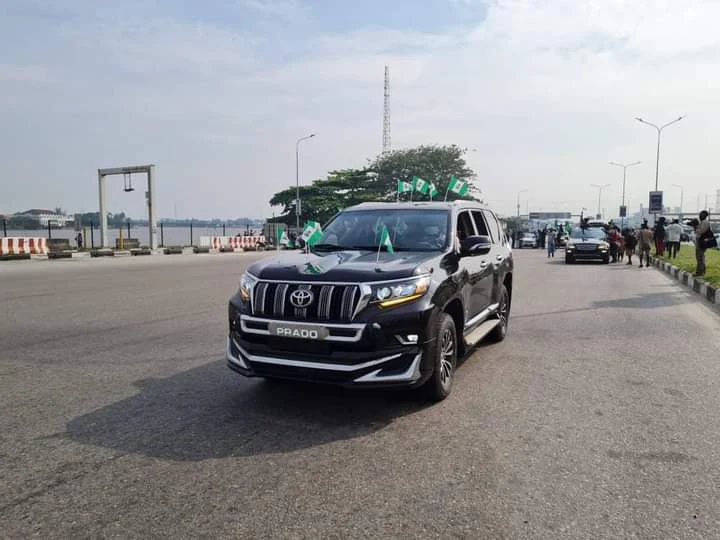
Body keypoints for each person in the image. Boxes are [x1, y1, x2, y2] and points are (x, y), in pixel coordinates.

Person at [694, 210, 712, 277]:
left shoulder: (705, 222)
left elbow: (700, 231)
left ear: (704, 216)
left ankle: (699, 272)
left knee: (699, 257)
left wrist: (695, 227)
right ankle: (701, 270)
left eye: (701, 215)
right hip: (701, 241)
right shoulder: (703, 222)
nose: (700, 216)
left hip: (702, 242)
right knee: (700, 256)